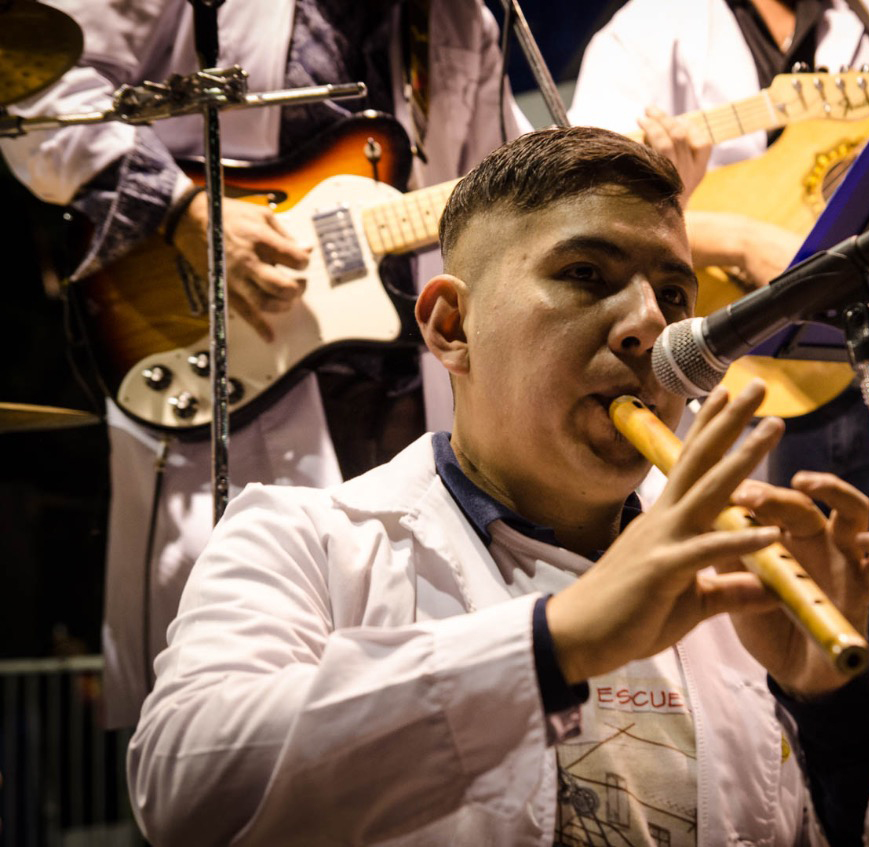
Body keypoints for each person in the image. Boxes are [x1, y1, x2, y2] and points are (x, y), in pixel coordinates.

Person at [126, 126, 869, 846]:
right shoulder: (301, 538)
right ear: (451, 327)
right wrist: (554, 642)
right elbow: (185, 788)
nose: (651, 325)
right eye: (585, 274)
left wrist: (834, 706)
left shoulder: (740, 580)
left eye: (673, 293)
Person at [0, 0, 526, 728]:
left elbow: (505, 183)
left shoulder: (464, 18)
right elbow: (37, 88)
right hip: (215, 358)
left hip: (410, 400)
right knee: (233, 714)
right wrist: (183, 211)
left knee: (411, 712)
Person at [567, 0, 869, 763]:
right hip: (747, 378)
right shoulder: (645, 30)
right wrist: (742, 240)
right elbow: (587, 211)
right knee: (769, 665)